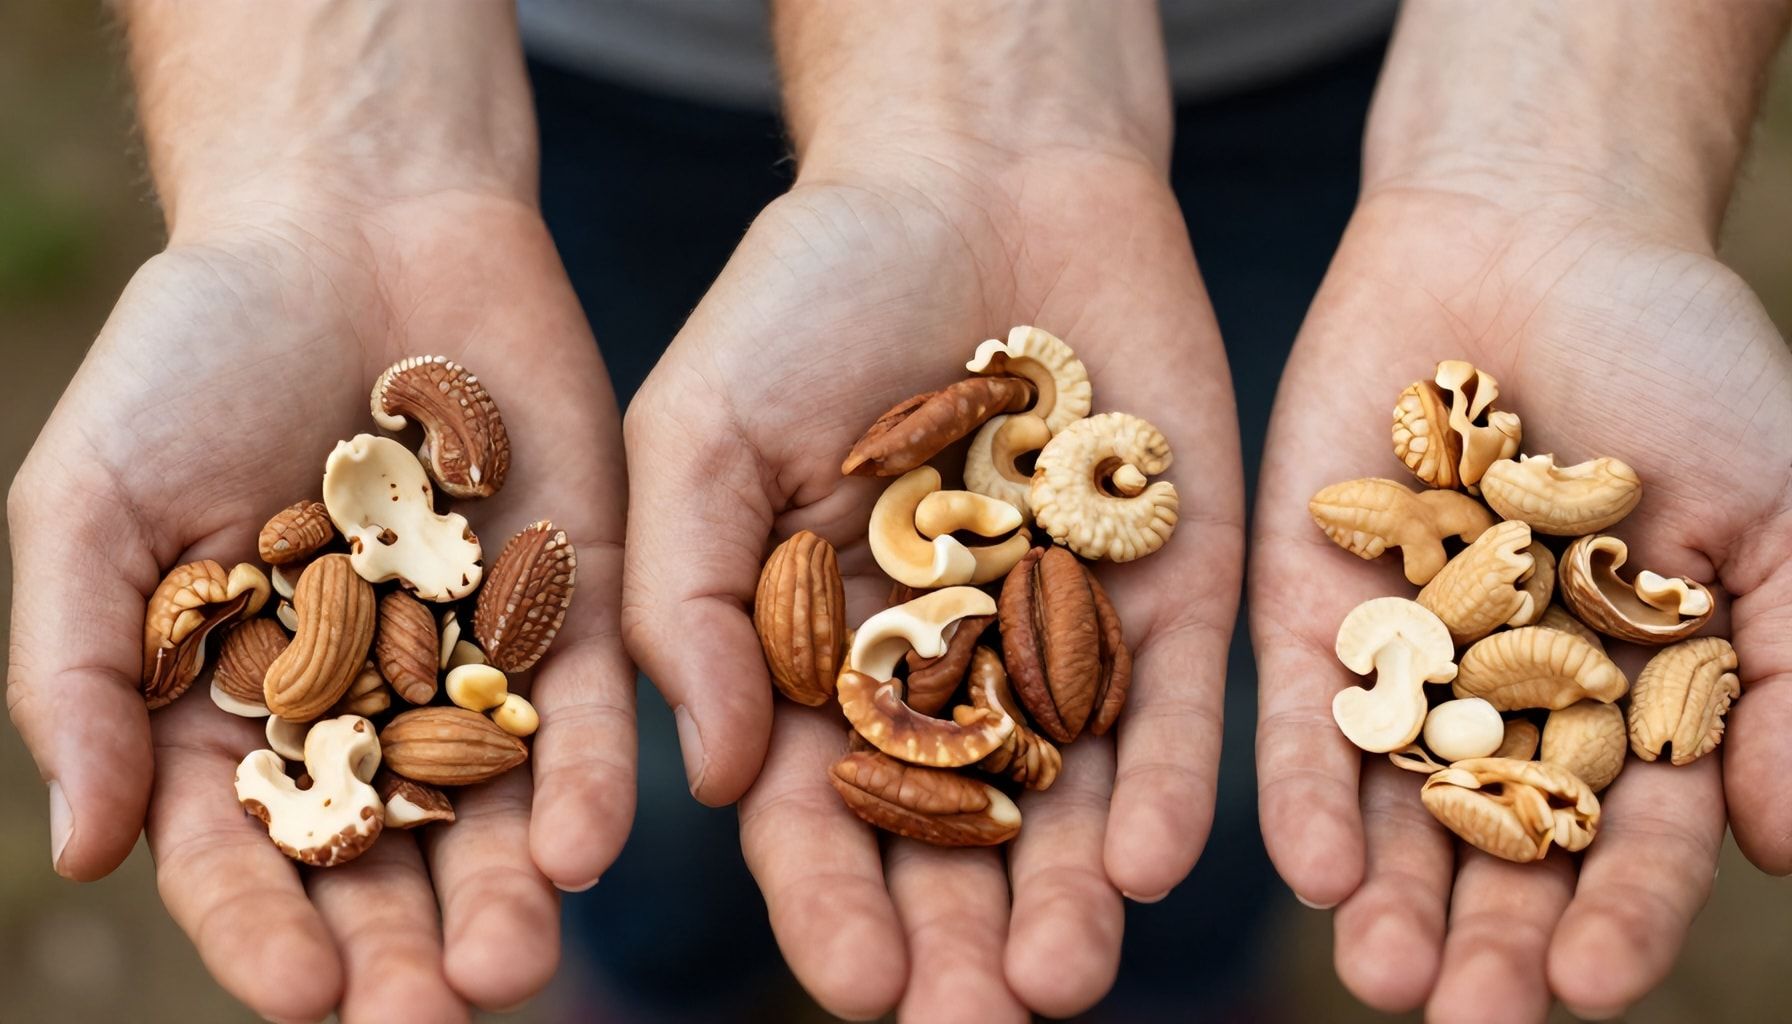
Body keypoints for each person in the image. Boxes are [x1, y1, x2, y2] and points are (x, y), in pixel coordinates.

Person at [6, 3, 1788, 1022]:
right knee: (671, 743)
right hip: (545, 67)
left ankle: (1166, 984)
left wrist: (1570, 143)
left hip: (1368, 68)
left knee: (1213, 757)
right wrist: (322, 163)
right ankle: (666, 974)